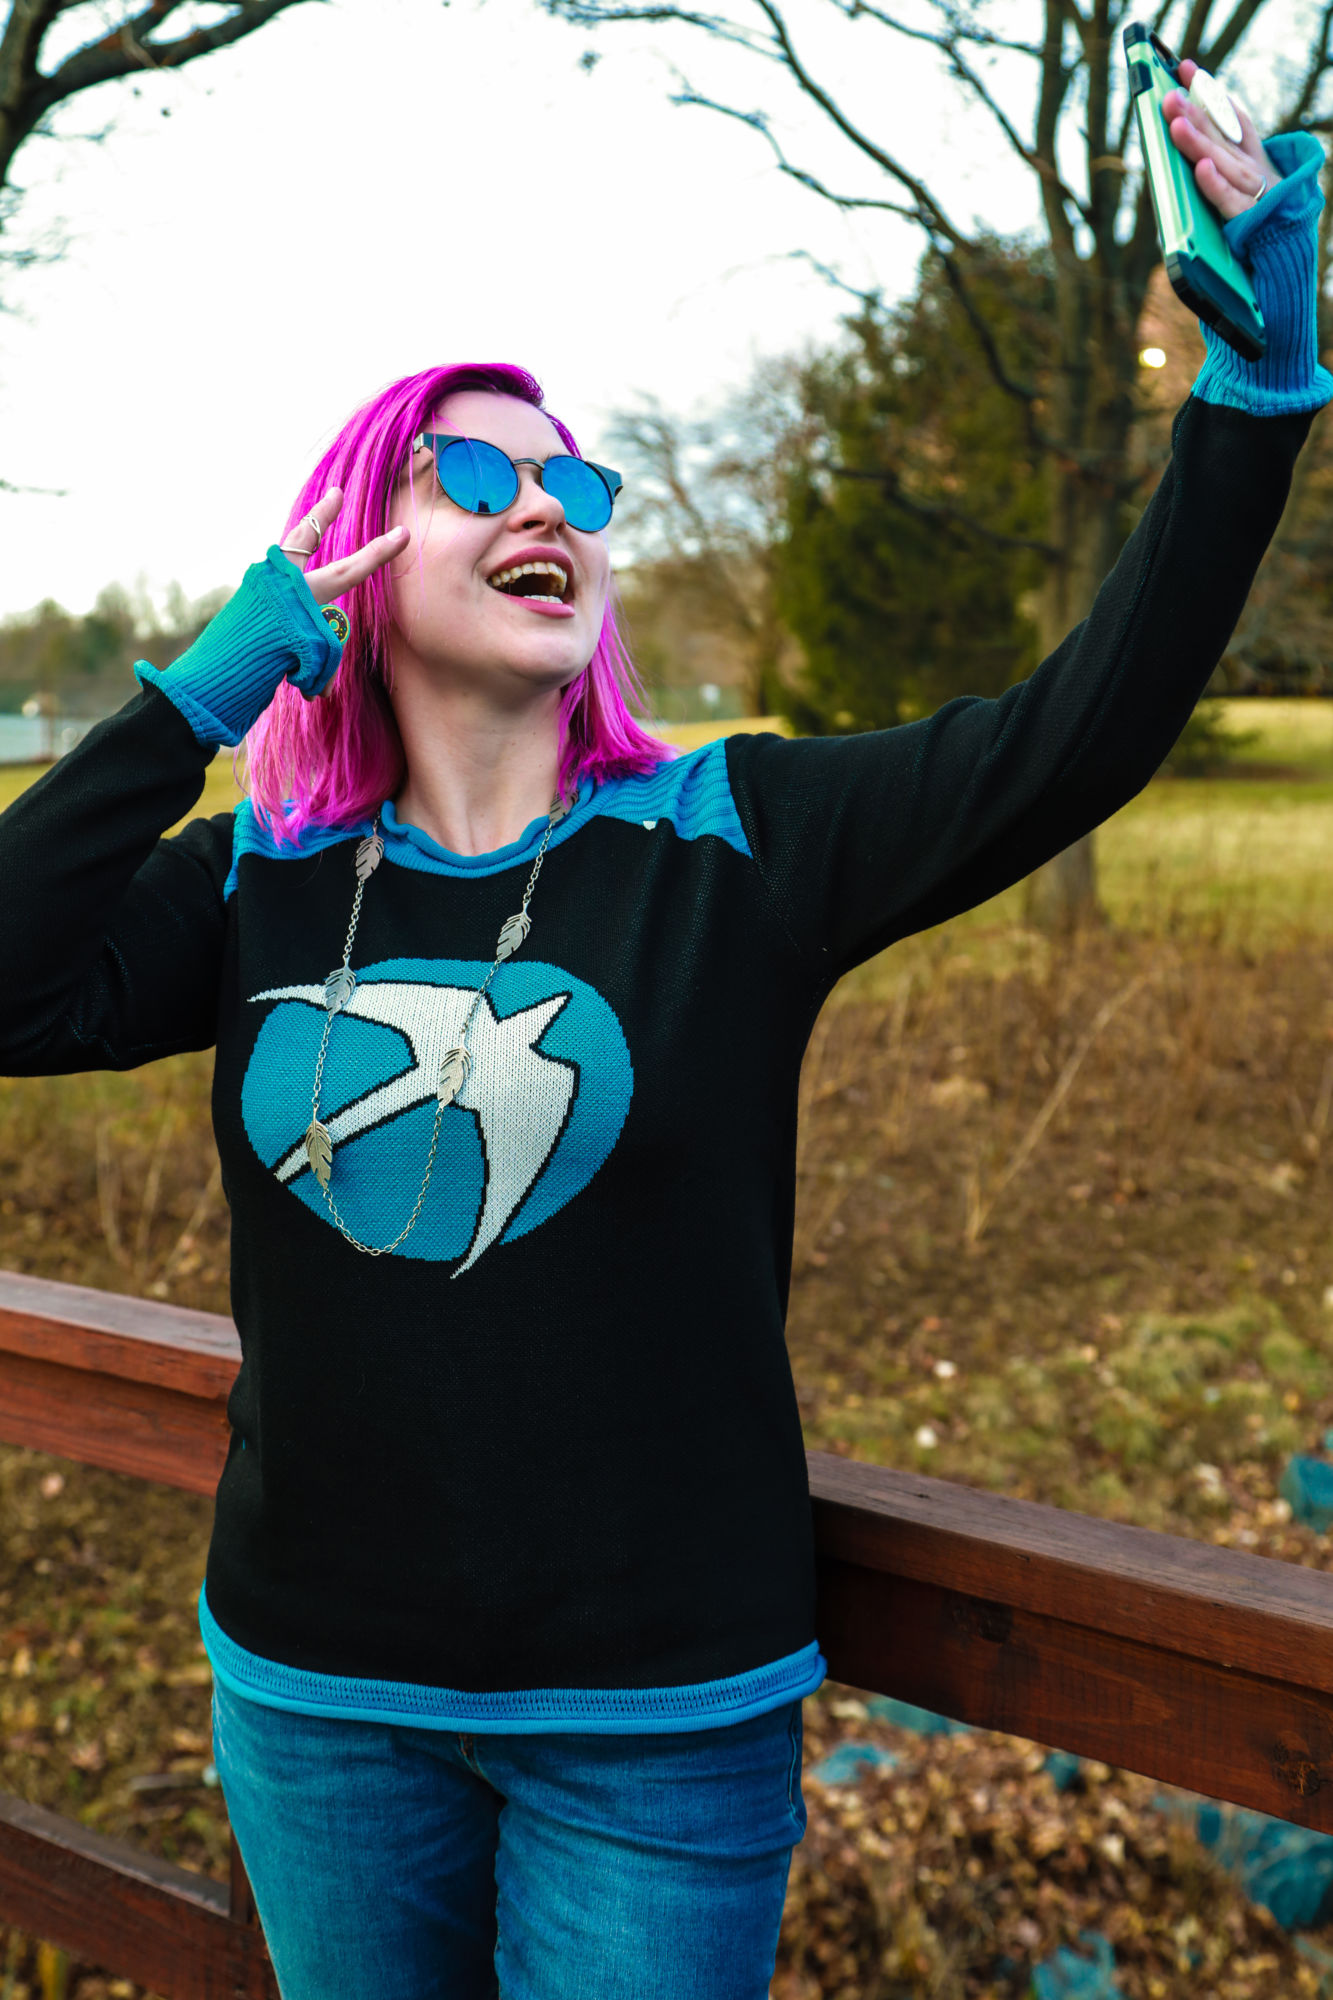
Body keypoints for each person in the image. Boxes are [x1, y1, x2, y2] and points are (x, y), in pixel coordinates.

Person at [0, 73, 1327, 2000]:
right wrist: (192, 708)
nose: (548, 503)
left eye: (575, 486)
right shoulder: (257, 888)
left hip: (655, 1730)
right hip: (315, 1704)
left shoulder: (731, 840)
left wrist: (1252, 400)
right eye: (475, 478)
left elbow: (1077, 732)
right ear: (351, 560)